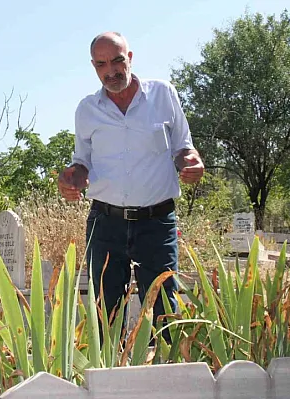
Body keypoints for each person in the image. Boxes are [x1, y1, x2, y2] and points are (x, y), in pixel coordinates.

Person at [58, 32, 205, 343]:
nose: (111, 71)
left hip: (157, 223)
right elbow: (81, 163)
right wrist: (71, 178)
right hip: (105, 224)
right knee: (105, 312)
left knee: (163, 310)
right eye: (101, 64)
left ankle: (165, 379)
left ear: (130, 58)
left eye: (117, 61)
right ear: (93, 66)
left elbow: (183, 147)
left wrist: (191, 162)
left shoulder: (163, 94)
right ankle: (110, 383)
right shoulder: (87, 110)